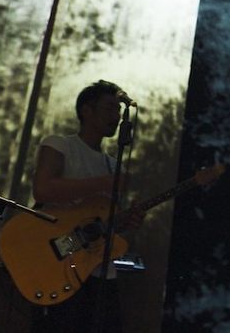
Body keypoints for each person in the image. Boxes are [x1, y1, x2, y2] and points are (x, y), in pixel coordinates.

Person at [31, 80, 145, 333]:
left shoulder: (115, 166)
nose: (115, 117)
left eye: (118, 111)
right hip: (59, 265)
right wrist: (102, 183)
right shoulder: (59, 144)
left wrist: (129, 222)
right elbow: (43, 189)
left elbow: (106, 225)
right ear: (86, 110)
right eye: (109, 109)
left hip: (100, 271)